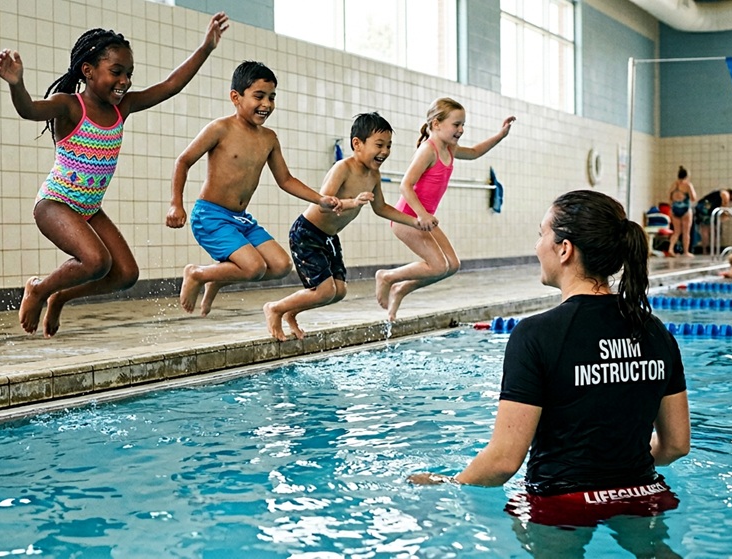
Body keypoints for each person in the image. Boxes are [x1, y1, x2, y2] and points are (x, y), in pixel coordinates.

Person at [408, 190, 690, 531]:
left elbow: (503, 461)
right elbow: (676, 444)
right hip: (643, 496)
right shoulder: (655, 331)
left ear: (565, 249)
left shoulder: (536, 335)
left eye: (542, 234)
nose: (538, 246)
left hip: (562, 504)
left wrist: (447, 482)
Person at [0, 12, 230, 337]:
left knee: (125, 274)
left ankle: (61, 296)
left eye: (129, 73)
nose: (125, 81)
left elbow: (171, 86)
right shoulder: (69, 106)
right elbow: (29, 110)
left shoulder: (123, 107)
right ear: (88, 71)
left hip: (89, 209)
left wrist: (206, 47)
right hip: (55, 203)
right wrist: (16, 84)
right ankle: (39, 289)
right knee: (96, 261)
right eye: (116, 72)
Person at [166, 61, 341, 316]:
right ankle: (198, 273)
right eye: (259, 96)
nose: (266, 104)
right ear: (236, 97)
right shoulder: (220, 129)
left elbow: (286, 179)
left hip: (241, 219)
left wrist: (320, 199)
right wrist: (176, 203)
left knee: (281, 266)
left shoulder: (269, 138)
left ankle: (218, 278)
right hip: (211, 216)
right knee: (254, 267)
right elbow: (183, 161)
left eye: (271, 97)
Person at [263, 112, 427, 341]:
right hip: (307, 232)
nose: (385, 151)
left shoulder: (374, 174)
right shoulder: (343, 168)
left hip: (329, 237)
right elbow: (323, 204)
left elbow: (381, 208)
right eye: (379, 145)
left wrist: (415, 222)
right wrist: (352, 202)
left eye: (389, 146)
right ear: (357, 144)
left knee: (339, 291)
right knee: (325, 289)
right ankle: (275, 309)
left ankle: (291, 312)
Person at [374, 98, 515, 320]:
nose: (461, 129)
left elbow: (476, 151)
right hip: (408, 218)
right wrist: (421, 214)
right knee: (438, 266)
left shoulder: (449, 148)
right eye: (456, 124)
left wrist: (500, 135)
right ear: (437, 124)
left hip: (425, 219)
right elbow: (405, 185)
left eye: (462, 125)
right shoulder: (427, 150)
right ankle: (387, 277)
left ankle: (401, 289)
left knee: (452, 266)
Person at [667, 166, 697, 257]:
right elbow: (693, 198)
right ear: (687, 176)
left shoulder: (674, 185)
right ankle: (686, 251)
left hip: (675, 208)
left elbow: (669, 198)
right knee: (686, 232)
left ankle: (670, 249)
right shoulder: (688, 185)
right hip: (685, 209)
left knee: (676, 232)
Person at [695, 188, 732, 255]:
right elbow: (724, 207)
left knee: (705, 231)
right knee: (713, 232)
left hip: (701, 209)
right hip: (707, 210)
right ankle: (714, 250)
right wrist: (726, 215)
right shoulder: (725, 194)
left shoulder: (718, 193)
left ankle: (705, 250)